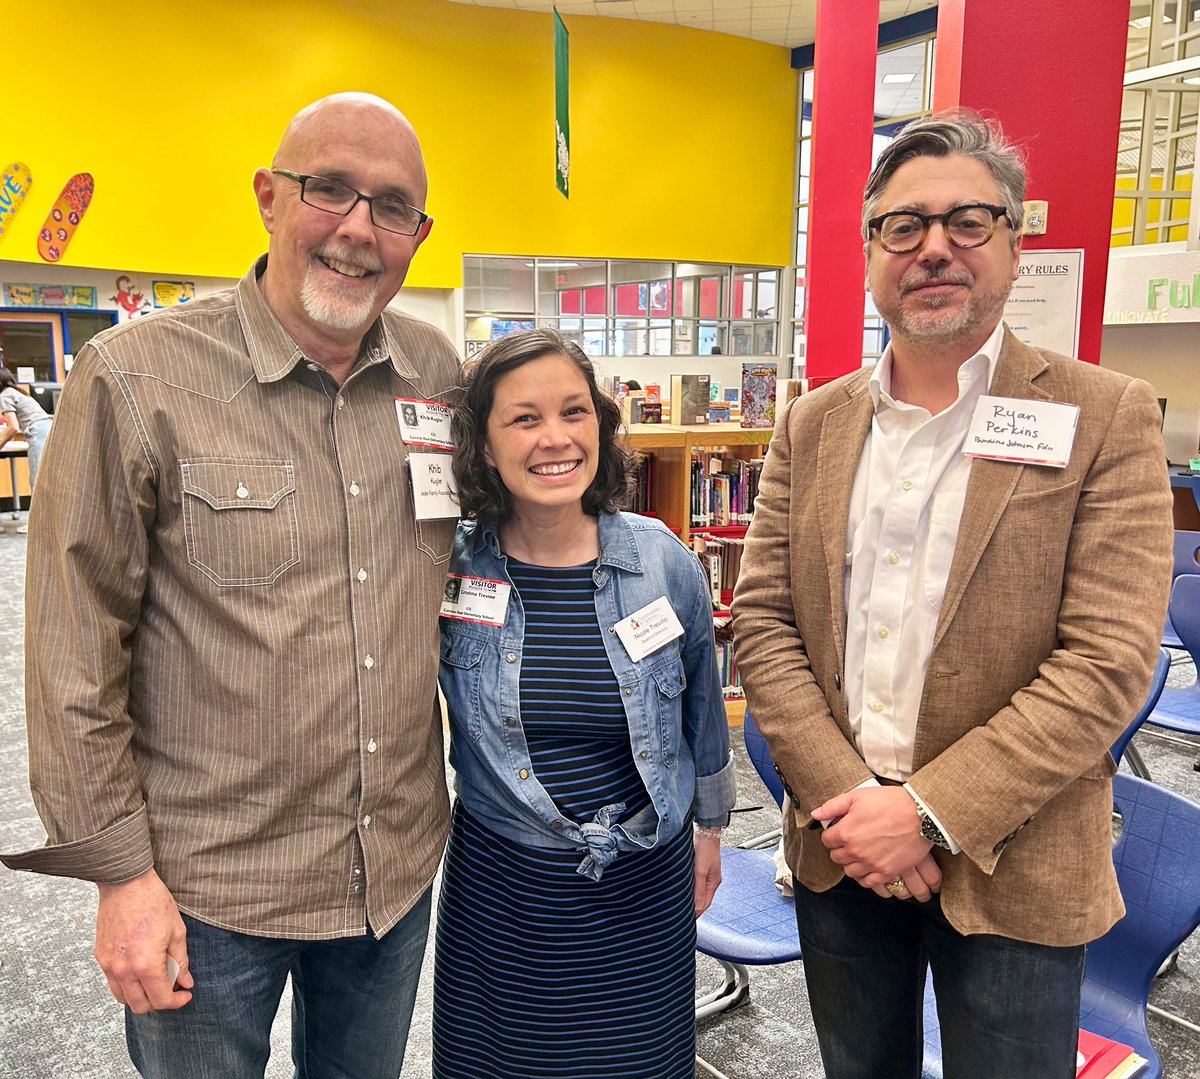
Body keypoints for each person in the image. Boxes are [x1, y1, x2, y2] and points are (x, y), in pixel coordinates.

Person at [2, 92, 461, 1079]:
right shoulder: (137, 378)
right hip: (207, 893)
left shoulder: (438, 374)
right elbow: (71, 653)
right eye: (328, 189)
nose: (355, 228)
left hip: (391, 869)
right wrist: (118, 874)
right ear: (267, 196)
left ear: (419, 235)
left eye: (390, 207)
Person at [731, 111, 1173, 1079]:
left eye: (968, 221)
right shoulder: (811, 424)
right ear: (871, 252)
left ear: (1016, 243)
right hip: (842, 850)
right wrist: (856, 801)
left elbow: (1106, 664)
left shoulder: (1103, 416)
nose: (934, 247)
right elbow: (762, 624)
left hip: (1018, 860)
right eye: (904, 225)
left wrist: (923, 810)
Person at [433, 327, 736, 1078]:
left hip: (644, 883)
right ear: (484, 443)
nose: (555, 438)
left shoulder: (661, 559)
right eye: (524, 418)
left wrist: (710, 828)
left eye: (574, 411)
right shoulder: (447, 565)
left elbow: (701, 702)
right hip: (505, 889)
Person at [0, 366, 53, 533]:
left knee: (37, 480)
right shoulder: (17, 392)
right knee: (43, 478)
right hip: (46, 428)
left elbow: (13, 427)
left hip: (37, 431)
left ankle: (37, 525)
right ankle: (46, 522)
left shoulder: (4, 395)